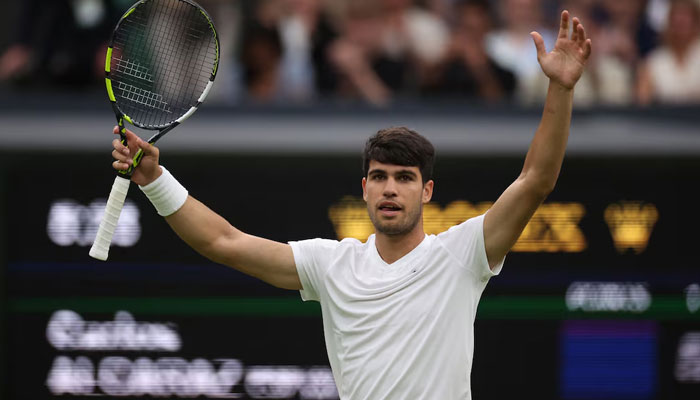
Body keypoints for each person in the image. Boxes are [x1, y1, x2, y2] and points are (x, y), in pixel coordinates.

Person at [109, 10, 591, 400]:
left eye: (404, 179)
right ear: (364, 188)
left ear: (426, 192)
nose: (390, 189)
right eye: (379, 177)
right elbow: (224, 242)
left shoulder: (462, 254)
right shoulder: (331, 264)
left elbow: (535, 182)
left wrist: (561, 89)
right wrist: (154, 178)